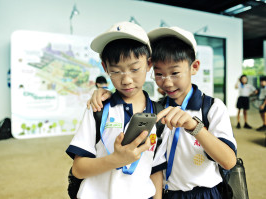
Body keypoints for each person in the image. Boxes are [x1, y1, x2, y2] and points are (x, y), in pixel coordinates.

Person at [87, 26, 237, 199]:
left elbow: (228, 161)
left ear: (194, 67)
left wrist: (194, 126)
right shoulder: (155, 110)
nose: (167, 83)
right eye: (159, 74)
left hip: (204, 193)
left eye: (175, 73)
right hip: (166, 193)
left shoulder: (212, 107)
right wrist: (106, 94)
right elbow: (153, 165)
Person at [66, 21, 166, 199]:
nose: (126, 80)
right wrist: (117, 160)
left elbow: (156, 168)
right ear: (105, 68)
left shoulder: (158, 113)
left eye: (135, 69)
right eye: (116, 71)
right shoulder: (98, 108)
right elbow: (78, 169)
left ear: (149, 64)